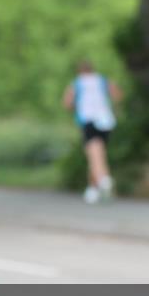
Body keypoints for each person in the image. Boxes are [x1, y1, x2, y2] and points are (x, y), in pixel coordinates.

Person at [63, 60, 122, 204]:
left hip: (89, 120)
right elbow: (117, 94)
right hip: (106, 120)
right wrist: (111, 107)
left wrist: (76, 107)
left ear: (80, 71)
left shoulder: (77, 83)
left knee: (93, 155)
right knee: (98, 153)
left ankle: (104, 179)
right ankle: (92, 190)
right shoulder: (102, 80)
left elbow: (67, 103)